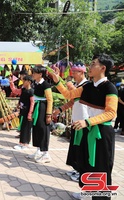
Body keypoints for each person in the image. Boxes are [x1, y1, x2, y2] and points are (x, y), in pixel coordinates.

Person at [49, 54, 118, 200]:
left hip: (101, 133)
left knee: (100, 167)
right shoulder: (87, 87)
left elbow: (111, 113)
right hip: (88, 129)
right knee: (86, 164)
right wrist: (57, 81)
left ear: (103, 68)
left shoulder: (109, 88)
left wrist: (87, 122)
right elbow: (69, 95)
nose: (90, 67)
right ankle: (88, 192)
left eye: (93, 64)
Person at [52, 62, 89, 182]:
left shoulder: (86, 85)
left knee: (82, 148)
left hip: (84, 121)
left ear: (82, 72)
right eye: (72, 71)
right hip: (76, 121)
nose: (72, 74)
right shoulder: (77, 85)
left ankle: (83, 173)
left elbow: (69, 94)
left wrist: (62, 81)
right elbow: (73, 101)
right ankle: (78, 169)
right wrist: (60, 109)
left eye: (75, 72)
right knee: (75, 147)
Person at [27, 66, 53, 163]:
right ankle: (38, 150)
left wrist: (48, 114)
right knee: (37, 129)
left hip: (43, 108)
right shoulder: (36, 83)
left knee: (43, 129)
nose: (32, 74)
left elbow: (50, 100)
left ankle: (46, 153)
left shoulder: (46, 85)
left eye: (34, 73)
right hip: (37, 108)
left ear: (40, 74)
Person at [14, 75, 34, 150]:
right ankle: (23, 143)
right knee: (23, 127)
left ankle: (25, 144)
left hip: (27, 112)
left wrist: (30, 113)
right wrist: (11, 83)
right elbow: (15, 91)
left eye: (24, 81)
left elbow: (32, 103)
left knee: (26, 128)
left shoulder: (31, 91)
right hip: (23, 111)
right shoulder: (23, 90)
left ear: (29, 82)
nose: (23, 82)